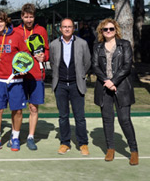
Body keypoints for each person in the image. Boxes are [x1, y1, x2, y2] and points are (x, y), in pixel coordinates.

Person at [92, 18, 138, 165]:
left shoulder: (124, 45)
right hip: (104, 88)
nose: (108, 32)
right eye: (105, 29)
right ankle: (110, 149)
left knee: (124, 120)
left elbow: (127, 65)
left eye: (111, 29)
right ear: (101, 31)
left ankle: (133, 151)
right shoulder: (97, 47)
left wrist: (114, 81)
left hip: (122, 87)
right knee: (107, 120)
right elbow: (95, 66)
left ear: (116, 30)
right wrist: (107, 80)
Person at [49, 18, 91, 156]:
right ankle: (65, 143)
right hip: (60, 85)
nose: (67, 29)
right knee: (63, 116)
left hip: (76, 84)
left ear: (74, 28)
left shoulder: (82, 43)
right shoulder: (54, 44)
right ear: (60, 29)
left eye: (69, 27)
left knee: (80, 117)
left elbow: (87, 62)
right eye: (64, 27)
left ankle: (83, 143)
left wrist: (80, 75)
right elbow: (53, 62)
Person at [0, 11, 28, 152]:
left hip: (15, 79)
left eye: (0, 21)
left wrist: (23, 68)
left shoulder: (16, 36)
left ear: (6, 22)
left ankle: (15, 137)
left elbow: (25, 55)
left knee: (17, 110)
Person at [13, 4, 49, 150]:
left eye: (31, 17)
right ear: (22, 16)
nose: (29, 20)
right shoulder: (15, 31)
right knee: (17, 109)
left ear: (34, 17)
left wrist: (44, 57)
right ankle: (15, 136)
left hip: (36, 75)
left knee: (33, 108)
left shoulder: (41, 30)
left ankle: (30, 137)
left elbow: (47, 51)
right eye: (26, 17)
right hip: (20, 76)